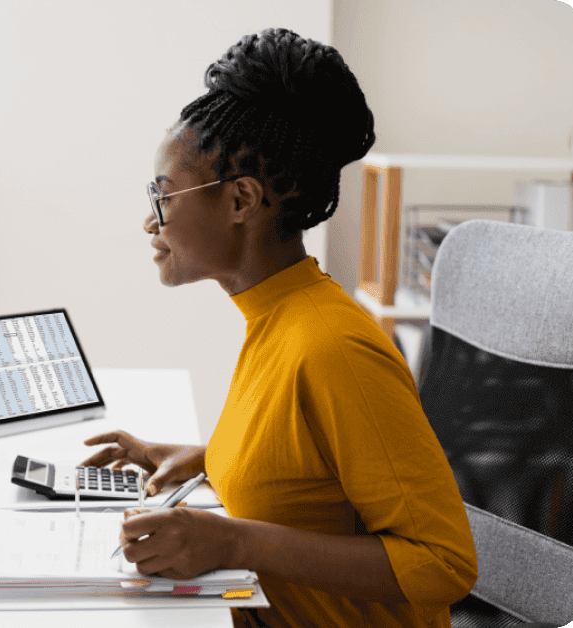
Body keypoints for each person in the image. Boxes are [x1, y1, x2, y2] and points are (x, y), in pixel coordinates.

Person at [81, 28, 477, 628]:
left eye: (163, 196)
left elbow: (444, 563)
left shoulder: (331, 347)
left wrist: (233, 541)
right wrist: (206, 459)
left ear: (241, 201)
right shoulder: (275, 314)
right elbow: (305, 475)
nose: (150, 221)